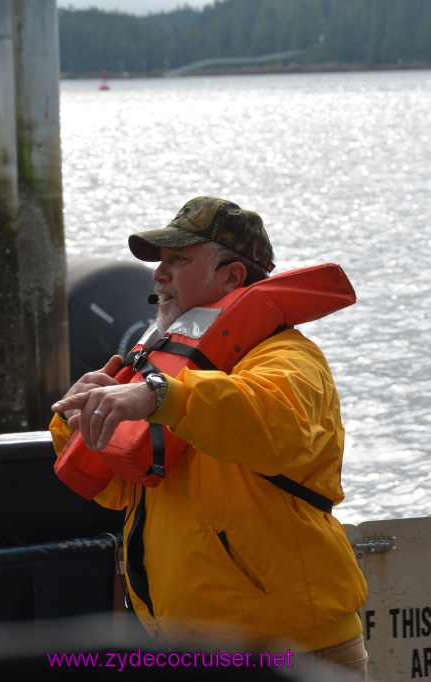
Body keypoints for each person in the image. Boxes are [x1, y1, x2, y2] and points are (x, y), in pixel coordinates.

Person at [50, 197, 368, 678]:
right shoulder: (162, 368)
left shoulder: (289, 359)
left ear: (232, 277)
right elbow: (122, 493)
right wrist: (81, 422)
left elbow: (271, 423)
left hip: (290, 652)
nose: (159, 274)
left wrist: (161, 397)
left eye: (178, 260)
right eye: (160, 261)